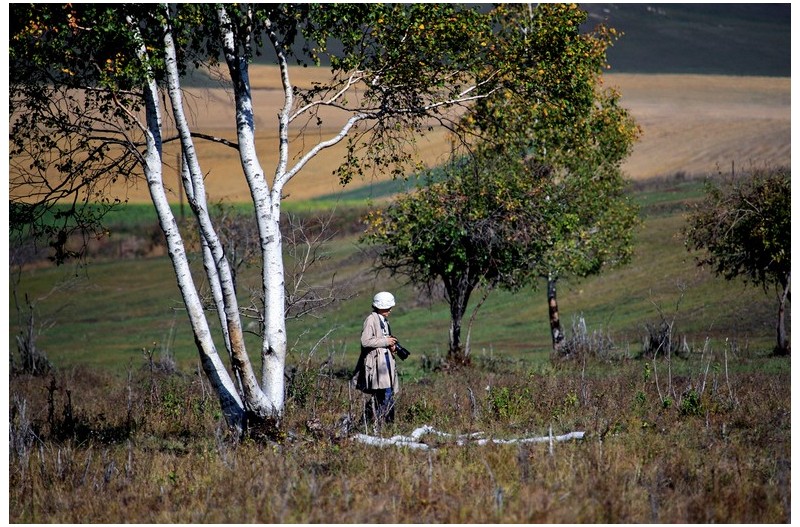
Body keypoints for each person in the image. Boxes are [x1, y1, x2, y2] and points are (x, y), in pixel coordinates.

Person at [353, 291, 400, 426]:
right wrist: (386, 341)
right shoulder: (371, 319)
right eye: (388, 307)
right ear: (381, 306)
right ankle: (377, 424)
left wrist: (391, 346)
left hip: (385, 363)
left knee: (386, 394)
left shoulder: (384, 320)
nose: (390, 310)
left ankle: (377, 424)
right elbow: (365, 341)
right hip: (377, 365)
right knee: (384, 395)